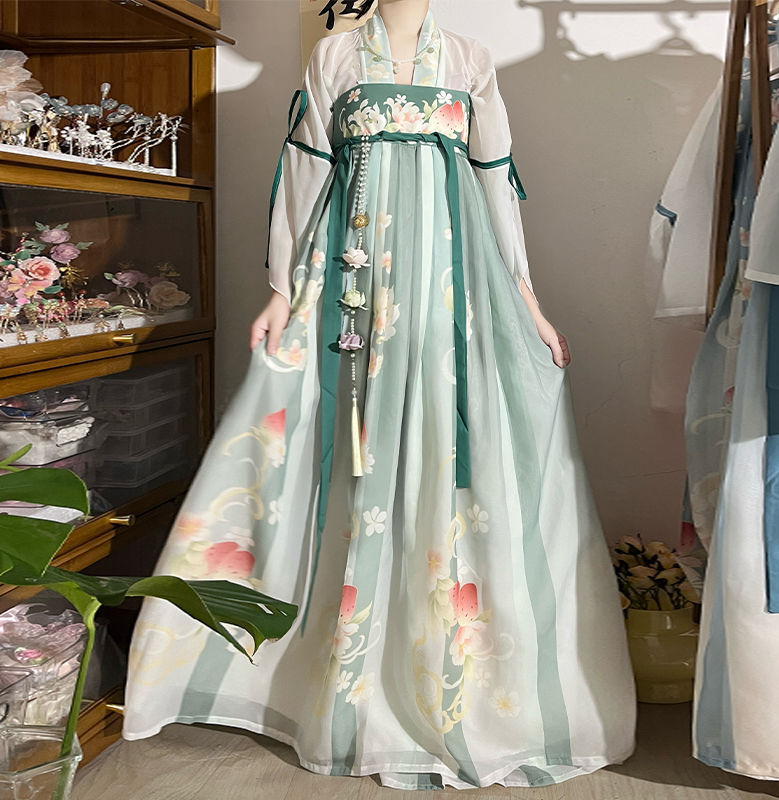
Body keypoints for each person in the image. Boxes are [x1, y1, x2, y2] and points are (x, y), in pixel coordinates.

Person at [123, 0, 636, 789]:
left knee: (443, 448)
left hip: (450, 290)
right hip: (354, 288)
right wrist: (281, 290)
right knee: (340, 450)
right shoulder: (333, 58)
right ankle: (327, 674)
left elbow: (495, 184)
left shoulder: (468, 60)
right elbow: (304, 173)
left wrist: (527, 302)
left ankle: (444, 673)